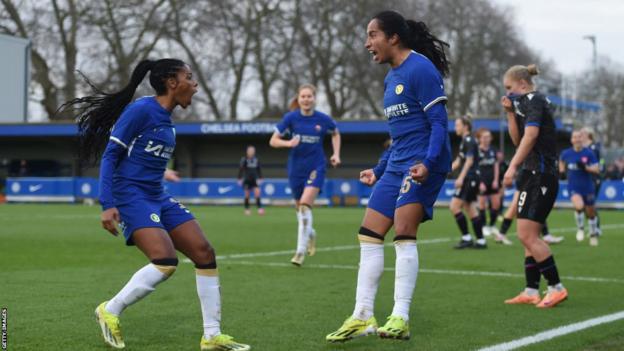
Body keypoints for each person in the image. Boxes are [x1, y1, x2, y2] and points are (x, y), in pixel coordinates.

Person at [58, 59, 249, 350]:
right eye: (189, 77)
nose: (195, 84)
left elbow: (143, 155)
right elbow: (111, 155)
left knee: (204, 252)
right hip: (130, 194)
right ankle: (110, 309)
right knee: (165, 260)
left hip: (156, 194)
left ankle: (212, 336)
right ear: (172, 82)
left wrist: (163, 171)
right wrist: (107, 204)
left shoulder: (166, 120)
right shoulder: (141, 110)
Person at [326, 10, 451, 342]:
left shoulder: (420, 69)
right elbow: (400, 136)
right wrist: (379, 168)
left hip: (425, 163)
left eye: (372, 35)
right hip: (397, 164)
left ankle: (400, 316)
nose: (367, 43)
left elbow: (439, 124)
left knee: (404, 230)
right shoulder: (390, 77)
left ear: (393, 37)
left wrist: (428, 162)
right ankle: (363, 315)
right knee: (369, 233)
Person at [501, 63, 567, 308]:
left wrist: (511, 167)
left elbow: (530, 137)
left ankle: (556, 287)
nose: (507, 93)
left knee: (527, 235)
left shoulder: (534, 99)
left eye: (509, 88)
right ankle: (531, 290)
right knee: (528, 236)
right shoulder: (523, 105)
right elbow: (518, 139)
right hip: (532, 175)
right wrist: (509, 113)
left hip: (541, 175)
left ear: (522, 84)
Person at [269, 84, 341, 266]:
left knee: (304, 207)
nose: (306, 99)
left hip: (316, 166)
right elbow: (273, 141)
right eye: (303, 96)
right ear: (299, 99)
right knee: (299, 210)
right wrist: (288, 143)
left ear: (314, 98)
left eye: (309, 96)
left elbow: (335, 133)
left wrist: (336, 154)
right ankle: (310, 233)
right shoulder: (291, 118)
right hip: (296, 169)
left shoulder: (323, 119)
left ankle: (300, 252)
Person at [449, 115, 486, 249]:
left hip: (470, 178)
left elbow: (469, 161)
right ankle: (481, 241)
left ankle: (467, 238)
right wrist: (443, 172)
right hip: (471, 178)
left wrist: (460, 178)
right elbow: (459, 161)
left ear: (465, 126)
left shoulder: (469, 140)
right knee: (469, 208)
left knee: (454, 206)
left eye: (457, 125)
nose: (455, 128)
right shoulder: (465, 141)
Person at [560, 130, 601, 246]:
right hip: (573, 186)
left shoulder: (589, 153)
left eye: (579, 137)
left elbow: (597, 169)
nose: (577, 139)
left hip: (588, 186)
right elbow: (561, 161)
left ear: (582, 139)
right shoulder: (566, 153)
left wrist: (585, 167)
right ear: (571, 140)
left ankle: (593, 233)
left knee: (591, 213)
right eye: (575, 137)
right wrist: (562, 171)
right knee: (579, 206)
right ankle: (581, 228)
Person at [475, 128, 502, 238]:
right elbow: (475, 167)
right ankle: (484, 226)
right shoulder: (476, 151)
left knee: (496, 204)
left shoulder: (493, 150)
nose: (487, 139)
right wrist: (480, 182)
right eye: (484, 137)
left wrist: (496, 180)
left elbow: (496, 166)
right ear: (480, 138)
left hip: (493, 181)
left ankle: (491, 225)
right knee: (482, 205)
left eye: (488, 137)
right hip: (481, 182)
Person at [580, 128, 603, 236]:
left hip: (594, 179)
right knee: (584, 204)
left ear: (588, 134)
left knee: (590, 203)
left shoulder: (594, 147)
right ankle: (593, 226)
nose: (580, 135)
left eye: (582, 133)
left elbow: (596, 164)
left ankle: (596, 228)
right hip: (585, 179)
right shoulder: (582, 148)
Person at [237, 145, 264, 215]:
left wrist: (261, 178)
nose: (251, 152)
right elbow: (241, 169)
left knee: (257, 193)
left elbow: (259, 169)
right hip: (247, 179)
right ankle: (247, 209)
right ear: (247, 151)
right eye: (250, 150)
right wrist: (239, 178)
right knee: (247, 194)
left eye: (252, 150)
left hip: (255, 179)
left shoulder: (256, 159)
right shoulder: (244, 159)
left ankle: (260, 208)